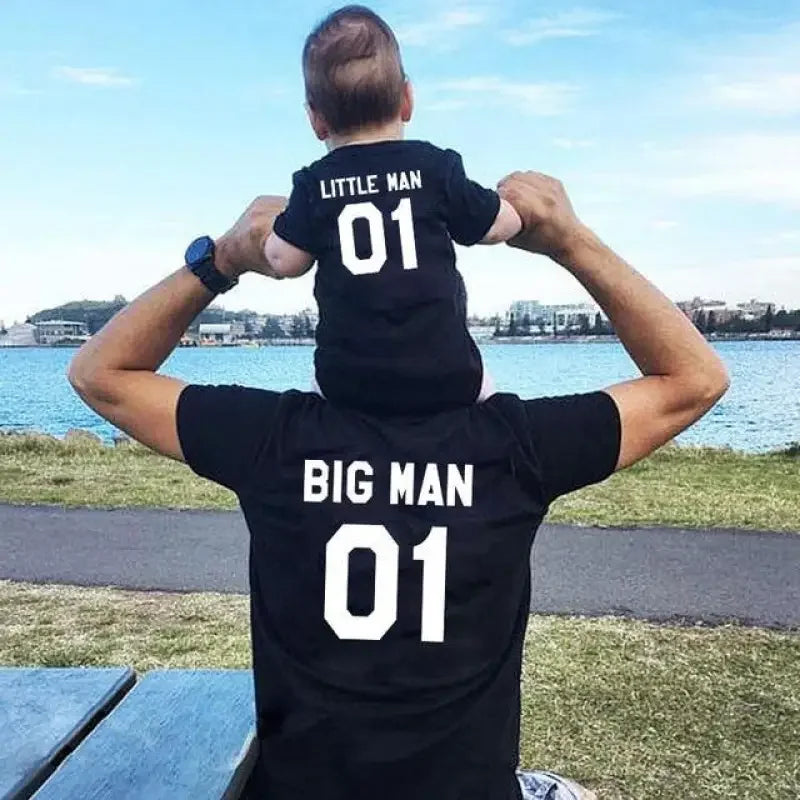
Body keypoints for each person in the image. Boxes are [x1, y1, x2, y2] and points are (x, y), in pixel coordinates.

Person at [68, 172, 729, 800]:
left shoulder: (272, 440)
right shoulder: (512, 447)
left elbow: (100, 372)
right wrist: (568, 240)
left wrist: (226, 259)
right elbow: (694, 380)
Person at [263, 6, 521, 414]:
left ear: (316, 119)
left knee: (317, 398)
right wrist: (514, 206)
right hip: (447, 377)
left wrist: (271, 234)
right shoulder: (437, 168)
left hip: (347, 385)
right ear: (406, 99)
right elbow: (495, 225)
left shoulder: (314, 183)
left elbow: (283, 260)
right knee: (488, 400)